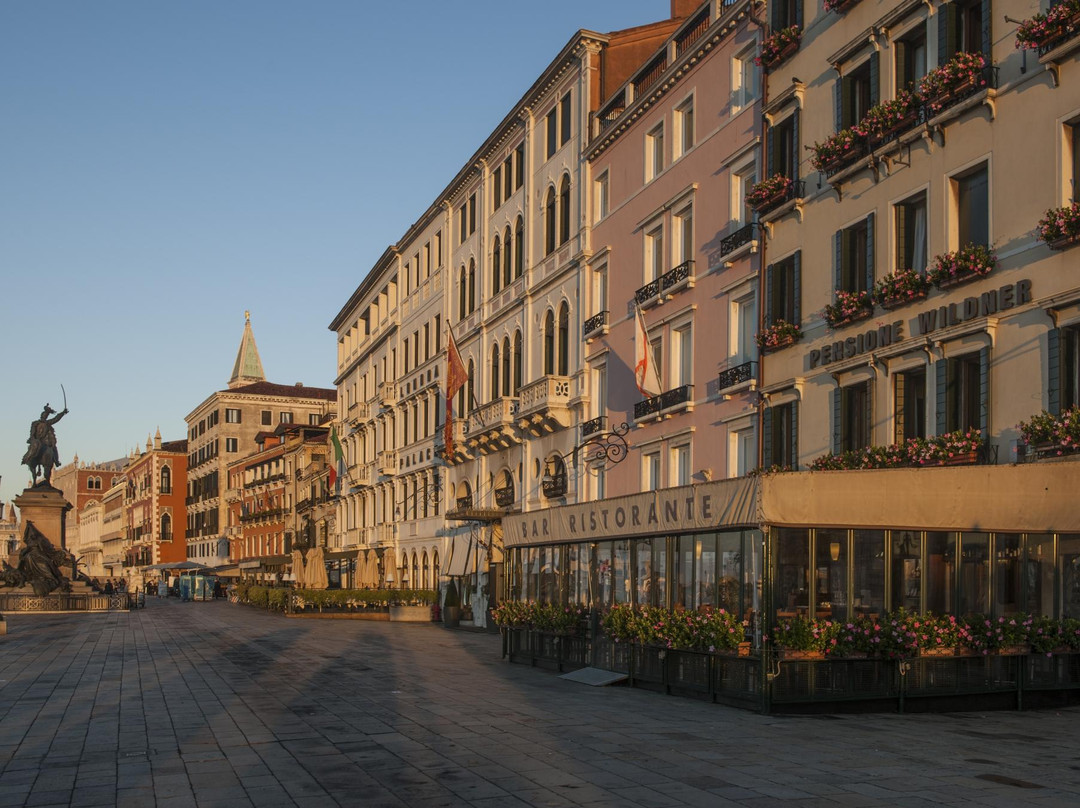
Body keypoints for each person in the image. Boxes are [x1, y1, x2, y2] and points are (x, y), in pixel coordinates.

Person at [22, 404, 69, 486]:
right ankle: (27, 457)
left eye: (46, 415)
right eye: (44, 415)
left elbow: (56, 419)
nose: (44, 416)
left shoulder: (47, 423)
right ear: (41, 415)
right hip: (38, 441)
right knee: (38, 448)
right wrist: (33, 439)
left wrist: (62, 413)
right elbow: (32, 433)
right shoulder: (35, 423)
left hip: (44, 442)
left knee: (53, 448)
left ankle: (56, 461)